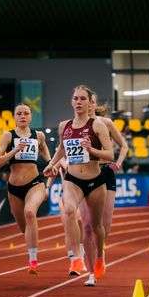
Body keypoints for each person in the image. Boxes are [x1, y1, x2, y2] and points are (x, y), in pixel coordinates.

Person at [43, 85, 113, 279]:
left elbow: (110, 154)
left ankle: (99, 256)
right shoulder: (63, 126)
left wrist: (92, 150)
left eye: (83, 99)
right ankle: (76, 258)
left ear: (89, 102)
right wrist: (52, 164)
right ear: (71, 101)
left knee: (96, 226)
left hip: (95, 180)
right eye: (76, 98)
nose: (79, 102)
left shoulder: (97, 125)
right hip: (73, 179)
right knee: (68, 211)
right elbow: (61, 149)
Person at [0, 103, 52, 274]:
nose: (23, 116)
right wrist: (14, 151)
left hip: (35, 183)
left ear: (31, 116)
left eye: (26, 113)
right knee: (23, 228)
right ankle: (32, 247)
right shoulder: (8, 136)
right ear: (14, 117)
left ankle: (33, 261)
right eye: (19, 113)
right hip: (14, 187)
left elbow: (44, 149)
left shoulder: (39, 135)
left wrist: (50, 163)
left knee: (29, 213)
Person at [78, 93, 128, 286]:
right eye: (83, 101)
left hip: (106, 173)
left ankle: (100, 252)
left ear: (94, 104)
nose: (87, 104)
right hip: (84, 174)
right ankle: (91, 272)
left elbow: (123, 145)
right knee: (87, 224)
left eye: (90, 101)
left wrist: (119, 163)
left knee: (104, 227)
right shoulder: (75, 124)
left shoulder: (105, 123)